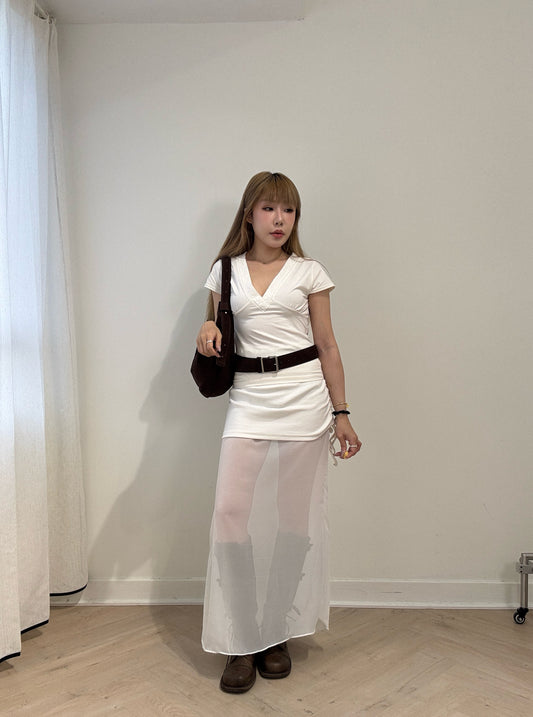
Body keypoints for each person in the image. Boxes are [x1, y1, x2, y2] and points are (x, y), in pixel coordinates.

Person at [196, 171, 362, 694]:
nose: (279, 219)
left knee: (293, 517)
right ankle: (241, 637)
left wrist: (341, 412)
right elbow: (216, 326)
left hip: (304, 399)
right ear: (250, 214)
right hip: (249, 399)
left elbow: (327, 345)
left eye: (288, 210)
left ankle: (276, 634)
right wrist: (206, 328)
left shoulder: (309, 272)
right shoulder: (224, 270)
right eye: (269, 208)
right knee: (230, 513)